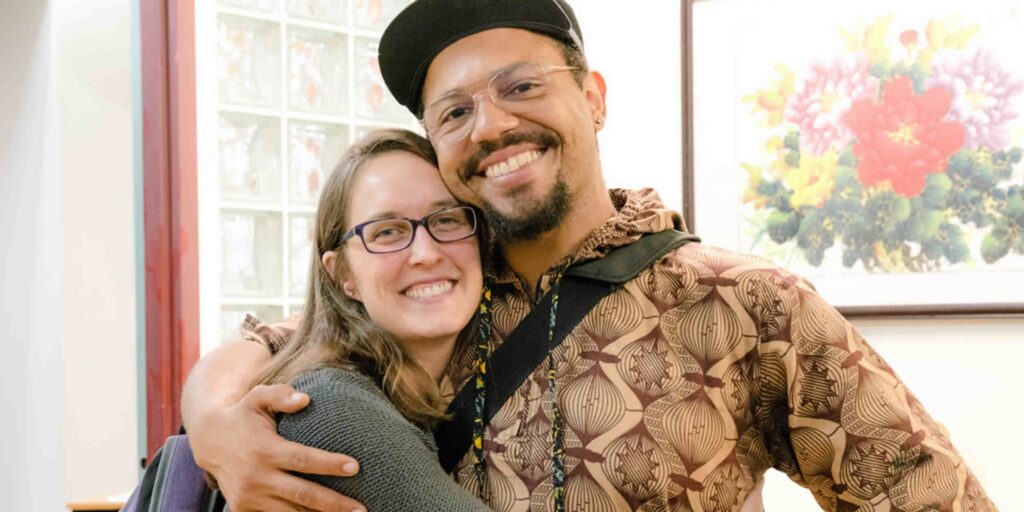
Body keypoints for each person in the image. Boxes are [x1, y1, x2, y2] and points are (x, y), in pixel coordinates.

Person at [182, 1, 997, 511]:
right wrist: (213, 419)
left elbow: (925, 495)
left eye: (521, 87)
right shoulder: (440, 292)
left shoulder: (747, 304)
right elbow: (283, 342)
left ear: (593, 97)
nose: (491, 126)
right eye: (454, 111)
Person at [201, 128, 490, 511]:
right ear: (343, 276)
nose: (426, 253)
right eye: (387, 232)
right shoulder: (329, 407)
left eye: (447, 220)